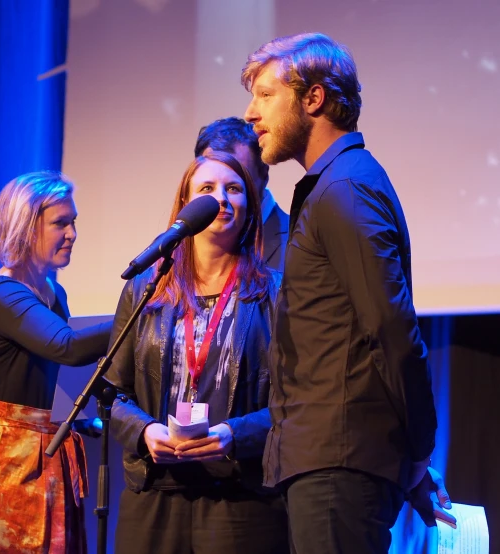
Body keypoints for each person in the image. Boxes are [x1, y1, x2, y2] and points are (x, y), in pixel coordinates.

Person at [241, 32, 454, 553]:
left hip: (337, 465)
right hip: (325, 462)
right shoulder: (334, 185)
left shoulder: (344, 189)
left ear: (313, 98)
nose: (251, 113)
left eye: (266, 95)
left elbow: (391, 328)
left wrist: (418, 452)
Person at [105, 151, 290, 554]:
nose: (221, 198)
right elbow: (110, 393)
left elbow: (295, 403)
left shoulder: (277, 294)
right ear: (186, 206)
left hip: (241, 497)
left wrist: (233, 435)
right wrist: (144, 431)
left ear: (250, 206)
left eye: (234, 189)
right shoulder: (145, 290)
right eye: (207, 189)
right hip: (154, 493)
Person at [0, 171, 112, 554]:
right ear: (25, 227)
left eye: (73, 222)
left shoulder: (54, 293)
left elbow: (63, 375)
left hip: (48, 453)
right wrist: (140, 311)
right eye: (61, 223)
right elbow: (66, 347)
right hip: (8, 461)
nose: (72, 233)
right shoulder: (2, 293)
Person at [195, 117, 289, 272]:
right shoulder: (174, 254)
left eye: (236, 183)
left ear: (264, 175)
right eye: (209, 184)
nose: (221, 197)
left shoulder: (298, 243)